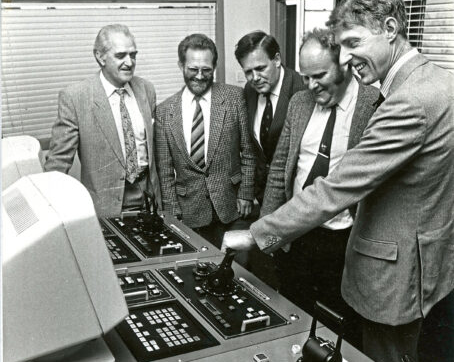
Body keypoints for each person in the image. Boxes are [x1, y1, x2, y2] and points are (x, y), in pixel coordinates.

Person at [222, 0, 454, 362]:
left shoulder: (408, 100)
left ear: (390, 29)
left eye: (353, 42)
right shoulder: (437, 80)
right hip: (424, 265)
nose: (345, 58)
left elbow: (339, 186)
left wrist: (257, 234)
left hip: (393, 278)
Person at [261, 28, 378, 343]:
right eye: (305, 76)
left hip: (344, 242)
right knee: (292, 316)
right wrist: (269, 235)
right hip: (296, 235)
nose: (310, 85)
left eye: (319, 75)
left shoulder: (375, 104)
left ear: (344, 64)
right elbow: (278, 173)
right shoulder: (300, 102)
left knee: (340, 328)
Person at [45, 24, 161, 217]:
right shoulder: (76, 97)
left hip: (149, 203)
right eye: (121, 55)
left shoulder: (146, 89)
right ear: (100, 57)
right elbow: (58, 162)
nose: (129, 62)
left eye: (133, 55)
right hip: (105, 208)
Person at [154, 33, 256, 249]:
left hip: (232, 208)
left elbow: (248, 151)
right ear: (181, 65)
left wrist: (246, 193)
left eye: (206, 70)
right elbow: (164, 170)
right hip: (188, 213)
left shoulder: (235, 98)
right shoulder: (164, 112)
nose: (200, 76)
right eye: (193, 69)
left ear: (215, 66)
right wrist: (172, 212)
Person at [234, 30, 305, 206]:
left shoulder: (302, 90)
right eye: (248, 72)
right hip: (262, 193)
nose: (255, 78)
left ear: (277, 60)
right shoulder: (249, 91)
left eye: (260, 68)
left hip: (294, 196)